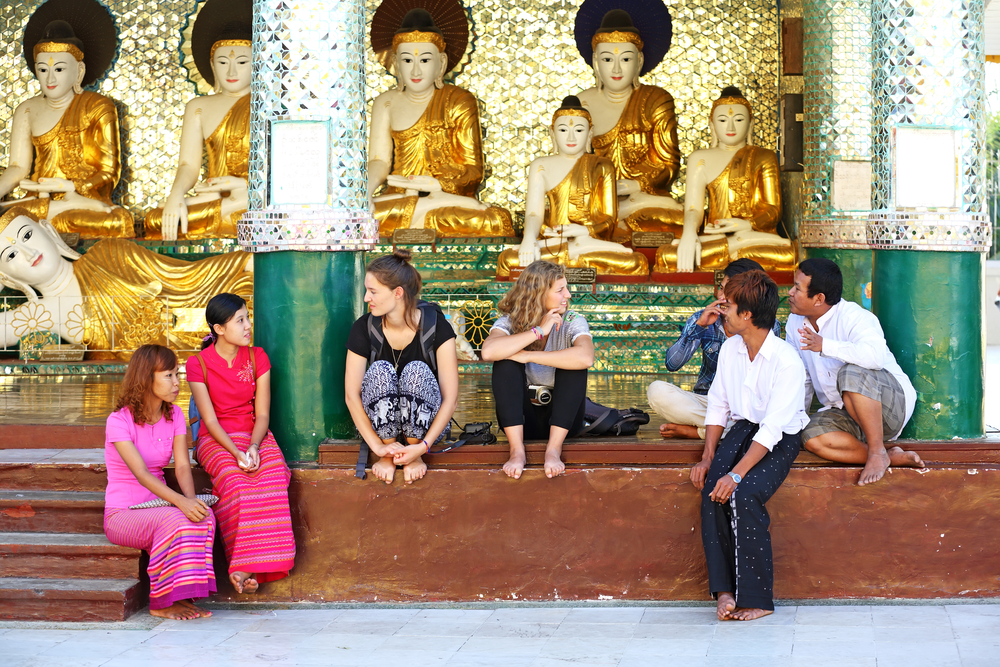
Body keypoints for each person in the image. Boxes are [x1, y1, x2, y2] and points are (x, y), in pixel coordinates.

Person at [690, 270, 809, 621]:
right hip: (742, 431)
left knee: (744, 494)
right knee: (712, 487)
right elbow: (719, 404)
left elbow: (772, 428)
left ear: (748, 315)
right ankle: (724, 591)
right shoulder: (731, 349)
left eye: (729, 306)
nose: (722, 310)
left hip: (780, 438)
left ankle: (757, 598)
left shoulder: (786, 361)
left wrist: (738, 475)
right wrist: (708, 457)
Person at [186, 293, 295, 593]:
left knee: (273, 478)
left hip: (254, 436)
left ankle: (253, 570)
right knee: (237, 484)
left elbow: (262, 414)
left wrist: (255, 447)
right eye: (240, 320)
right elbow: (209, 421)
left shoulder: (258, 356)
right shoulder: (197, 364)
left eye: (247, 318)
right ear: (219, 329)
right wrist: (235, 453)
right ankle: (245, 568)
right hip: (215, 440)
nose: (248, 326)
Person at [786, 258, 922, 486]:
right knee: (810, 435)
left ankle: (878, 451)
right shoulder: (794, 322)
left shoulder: (854, 316)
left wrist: (826, 346)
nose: (790, 292)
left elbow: (875, 356)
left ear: (819, 298)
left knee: (850, 374)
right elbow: (803, 378)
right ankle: (886, 456)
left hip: (888, 409)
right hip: (844, 413)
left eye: (797, 288)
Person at [104, 344, 216, 619]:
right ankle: (161, 602)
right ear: (146, 377)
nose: (177, 383)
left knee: (206, 516)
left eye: (177, 374)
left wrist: (192, 504)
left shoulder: (175, 414)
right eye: (168, 375)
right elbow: (141, 473)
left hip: (158, 505)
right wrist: (181, 503)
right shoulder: (119, 421)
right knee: (174, 519)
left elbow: (181, 466)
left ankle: (182, 595)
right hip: (123, 514)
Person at [0, 9, 134, 237]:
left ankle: (64, 209)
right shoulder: (27, 109)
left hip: (83, 200)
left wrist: (70, 187)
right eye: (42, 70)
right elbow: (18, 167)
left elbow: (109, 171)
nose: (50, 79)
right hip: (38, 202)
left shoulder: (98, 106)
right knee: (10, 220)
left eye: (59, 69)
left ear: (79, 72)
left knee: (117, 222)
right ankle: (55, 210)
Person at [344, 249, 459, 484]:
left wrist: (421, 449)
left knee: (416, 370)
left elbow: (451, 399)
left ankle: (411, 454)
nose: (367, 298)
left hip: (426, 431)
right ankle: (390, 453)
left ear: (398, 293)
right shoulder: (363, 328)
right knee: (379, 372)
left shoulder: (437, 328)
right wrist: (378, 448)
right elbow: (351, 396)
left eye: (373, 291)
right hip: (380, 432)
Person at [481, 260, 595, 479]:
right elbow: (489, 352)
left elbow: (586, 357)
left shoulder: (572, 321)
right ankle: (517, 450)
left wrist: (528, 355)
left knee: (574, 362)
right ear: (539, 294)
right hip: (523, 421)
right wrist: (539, 330)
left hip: (564, 422)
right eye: (561, 290)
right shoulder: (509, 322)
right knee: (504, 360)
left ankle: (553, 449)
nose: (568, 295)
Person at [648, 258, 780, 439]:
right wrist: (699, 327)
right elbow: (672, 364)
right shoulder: (703, 319)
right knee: (657, 392)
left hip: (747, 405)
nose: (720, 296)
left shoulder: (767, 325)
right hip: (708, 402)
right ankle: (731, 430)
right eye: (721, 287)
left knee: (762, 412)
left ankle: (700, 432)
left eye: (728, 291)